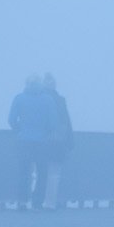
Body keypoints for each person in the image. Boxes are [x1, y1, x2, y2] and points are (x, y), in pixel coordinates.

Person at [8, 74, 65, 209]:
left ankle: (22, 200)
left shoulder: (19, 98)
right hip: (42, 142)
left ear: (26, 84)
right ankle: (37, 201)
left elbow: (11, 120)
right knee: (42, 172)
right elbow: (53, 123)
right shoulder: (48, 100)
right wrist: (45, 133)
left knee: (24, 171)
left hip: (24, 141)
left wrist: (20, 131)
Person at [41, 72, 75, 207]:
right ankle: (50, 202)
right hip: (57, 141)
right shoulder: (60, 100)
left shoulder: (39, 99)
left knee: (39, 171)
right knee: (54, 173)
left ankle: (37, 201)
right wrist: (70, 140)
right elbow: (67, 121)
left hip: (41, 140)